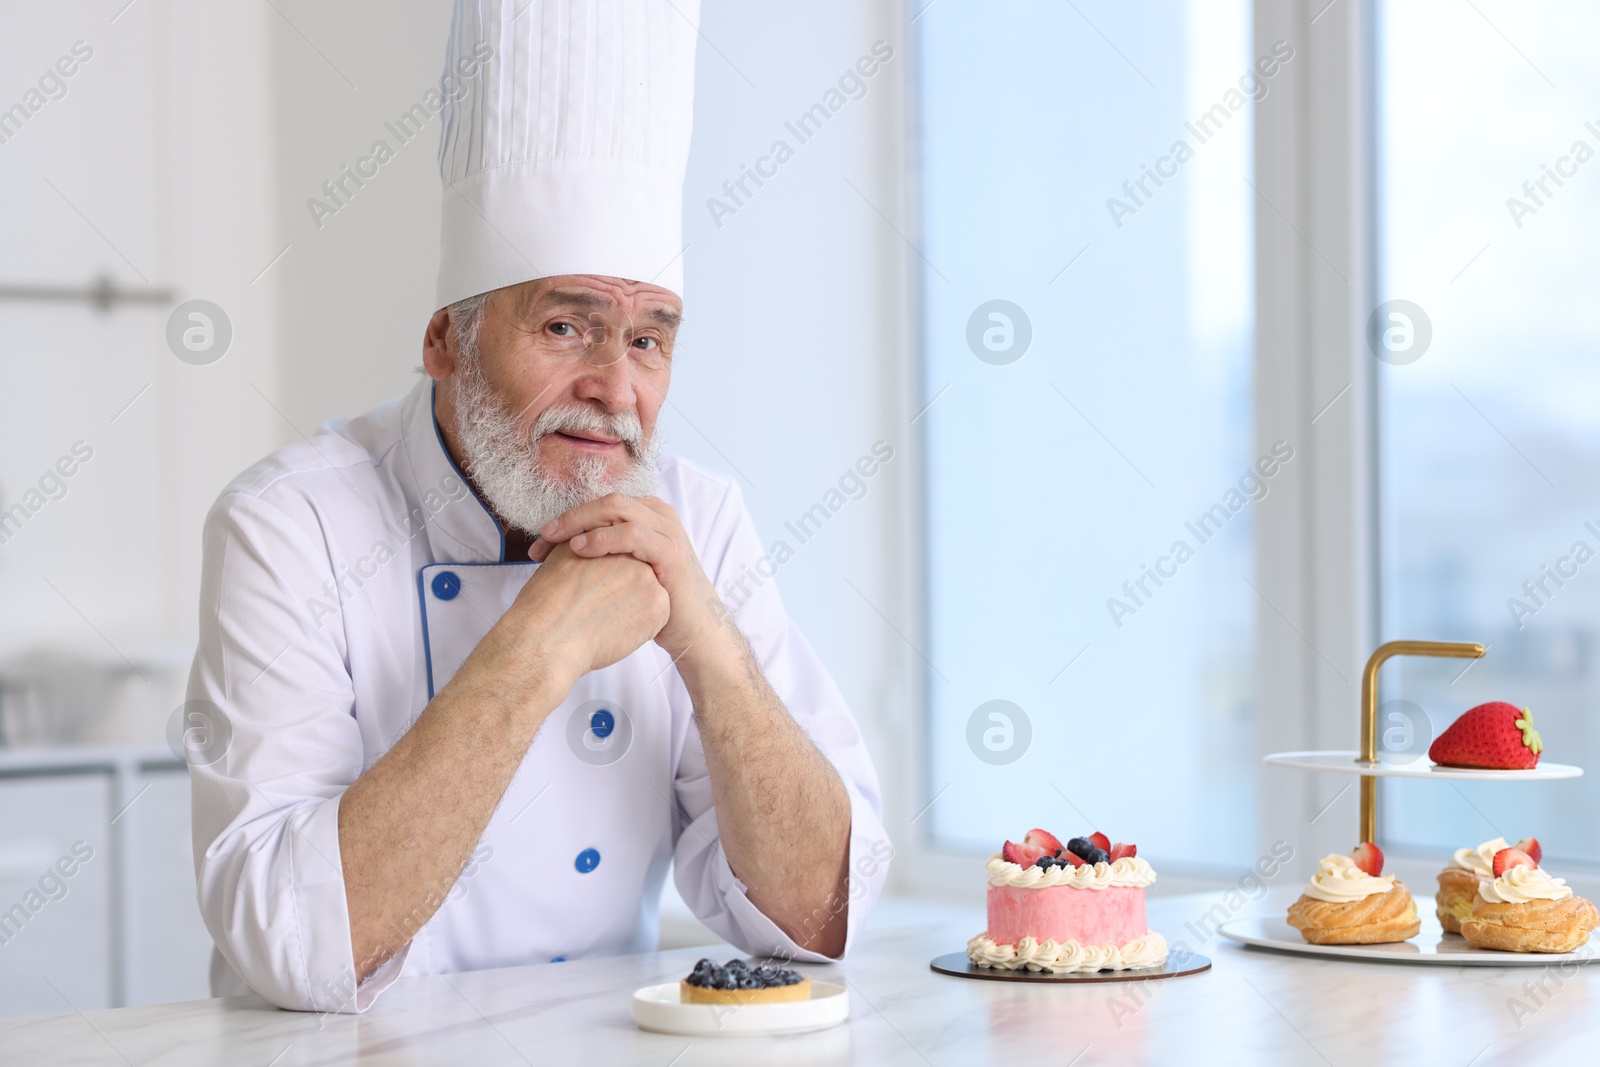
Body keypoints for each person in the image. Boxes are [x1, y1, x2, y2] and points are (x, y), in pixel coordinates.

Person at [186, 0, 889, 1012]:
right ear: (445, 343)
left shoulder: (696, 515)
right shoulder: (288, 525)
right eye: (567, 325)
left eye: (649, 339)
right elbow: (292, 945)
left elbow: (825, 914)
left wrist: (706, 641)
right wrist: (540, 645)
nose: (615, 386)